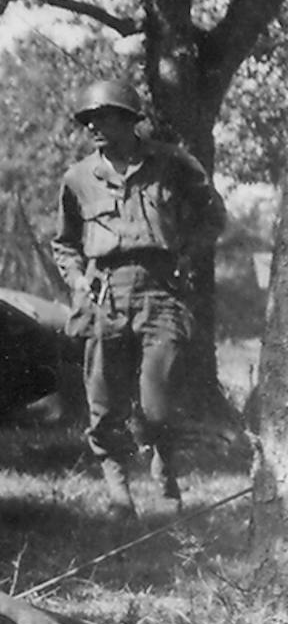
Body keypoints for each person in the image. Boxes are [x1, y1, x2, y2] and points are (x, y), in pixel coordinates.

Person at [50, 78, 224, 518]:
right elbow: (64, 243)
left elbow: (212, 214)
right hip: (105, 292)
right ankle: (117, 493)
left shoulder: (171, 164)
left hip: (161, 290)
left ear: (130, 120)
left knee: (157, 401)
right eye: (88, 119)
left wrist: (189, 255)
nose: (94, 127)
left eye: (103, 117)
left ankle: (165, 482)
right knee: (104, 402)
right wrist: (76, 280)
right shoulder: (77, 179)